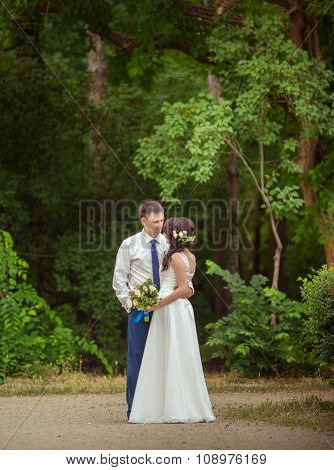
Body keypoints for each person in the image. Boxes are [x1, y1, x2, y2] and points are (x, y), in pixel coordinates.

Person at [128, 217, 216, 424]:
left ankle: (172, 407)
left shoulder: (175, 257)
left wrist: (157, 304)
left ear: (172, 235)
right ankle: (176, 404)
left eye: (166, 232)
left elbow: (184, 288)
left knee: (171, 354)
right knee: (176, 354)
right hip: (178, 308)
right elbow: (187, 287)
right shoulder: (189, 256)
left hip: (170, 309)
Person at [112, 201, 194, 420]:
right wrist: (134, 304)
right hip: (141, 310)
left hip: (168, 310)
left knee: (164, 358)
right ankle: (135, 409)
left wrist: (188, 289)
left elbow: (183, 274)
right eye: (156, 221)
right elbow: (119, 282)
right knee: (138, 357)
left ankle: (160, 407)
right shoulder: (129, 245)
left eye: (162, 220)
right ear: (143, 221)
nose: (160, 225)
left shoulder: (171, 244)